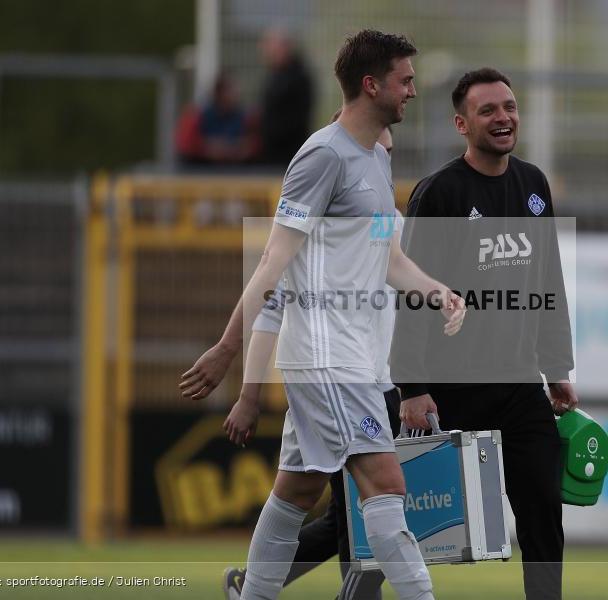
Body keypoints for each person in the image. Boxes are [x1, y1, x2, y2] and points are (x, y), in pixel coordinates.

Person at [180, 30, 465, 600]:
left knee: (298, 490)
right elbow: (271, 261)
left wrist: (439, 292)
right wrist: (227, 348)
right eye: (404, 80)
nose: (412, 90)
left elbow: (390, 259)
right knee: (386, 485)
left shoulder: (376, 159)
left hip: (352, 357)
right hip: (328, 358)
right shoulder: (322, 156)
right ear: (371, 84)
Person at [391, 67, 579, 600]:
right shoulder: (441, 192)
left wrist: (557, 369)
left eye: (510, 107)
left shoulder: (534, 184)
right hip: (449, 388)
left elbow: (548, 282)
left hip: (519, 385)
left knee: (543, 512)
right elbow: (413, 293)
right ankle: (341, 587)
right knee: (396, 518)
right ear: (461, 123)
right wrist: (411, 385)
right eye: (488, 111)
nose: (503, 118)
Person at [220, 122, 400, 600]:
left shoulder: (385, 225)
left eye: (385, 159)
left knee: (326, 505)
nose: (380, 166)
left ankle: (253, 588)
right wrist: (248, 392)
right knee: (373, 503)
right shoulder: (310, 243)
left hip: (379, 385)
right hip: (338, 382)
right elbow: (270, 307)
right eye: (374, 154)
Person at [257, 30, 315, 166]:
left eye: (273, 50)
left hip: (288, 151)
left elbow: (298, 116)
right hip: (274, 149)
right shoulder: (277, 75)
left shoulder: (298, 77)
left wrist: (272, 132)